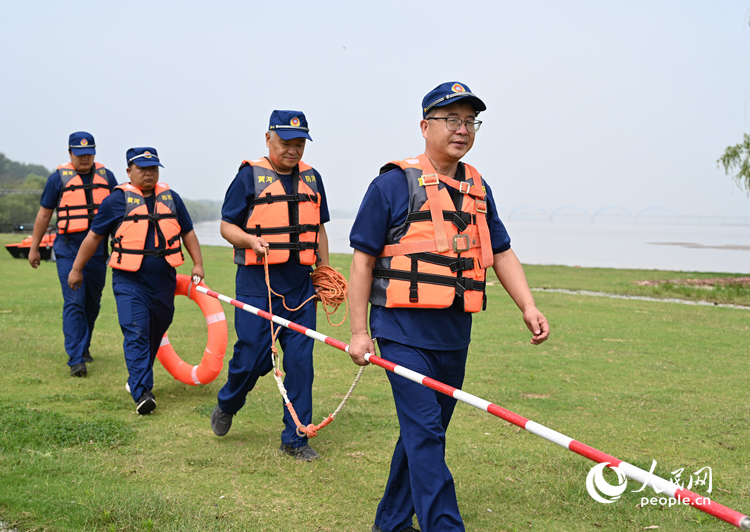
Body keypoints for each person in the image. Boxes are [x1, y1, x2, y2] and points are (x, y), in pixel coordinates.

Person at [347, 82, 550, 532]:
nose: (462, 129)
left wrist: (528, 305)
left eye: (470, 121)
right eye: (451, 120)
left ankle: (392, 522)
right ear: (425, 126)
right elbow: (362, 261)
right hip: (401, 333)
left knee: (424, 434)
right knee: (426, 434)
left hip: (454, 337)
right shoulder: (391, 185)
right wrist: (359, 332)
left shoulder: (477, 187)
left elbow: (500, 252)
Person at [211, 110, 330, 461]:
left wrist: (323, 270)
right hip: (256, 284)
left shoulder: (313, 178)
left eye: (299, 144)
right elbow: (226, 226)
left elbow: (319, 229)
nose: (293, 151)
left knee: (301, 362)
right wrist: (249, 241)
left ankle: (295, 438)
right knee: (251, 360)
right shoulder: (249, 177)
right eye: (286, 143)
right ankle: (228, 402)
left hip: (300, 288)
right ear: (268, 139)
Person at [68, 147, 204, 415]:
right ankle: (143, 392)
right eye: (142, 169)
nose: (149, 173)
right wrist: (76, 269)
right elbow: (93, 237)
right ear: (129, 171)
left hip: (164, 279)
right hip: (129, 281)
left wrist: (198, 263)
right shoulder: (115, 201)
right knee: (136, 331)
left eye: (153, 168)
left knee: (158, 326)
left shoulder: (172, 198)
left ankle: (137, 377)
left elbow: (187, 232)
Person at [29, 131, 119, 377]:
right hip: (68, 249)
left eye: (89, 153)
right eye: (79, 154)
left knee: (92, 303)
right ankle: (76, 359)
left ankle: (84, 346)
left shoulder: (107, 177)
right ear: (70, 154)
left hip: (98, 253)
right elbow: (44, 214)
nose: (85, 159)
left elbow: (118, 214)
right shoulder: (57, 180)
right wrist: (35, 247)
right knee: (74, 301)